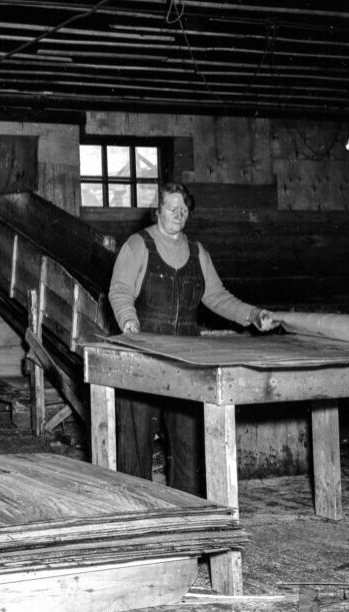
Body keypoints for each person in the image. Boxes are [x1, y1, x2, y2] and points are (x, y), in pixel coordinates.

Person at [108, 182, 277, 497]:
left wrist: (253, 315)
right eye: (172, 208)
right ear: (157, 211)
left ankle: (185, 509)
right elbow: (120, 290)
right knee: (135, 436)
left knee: (187, 438)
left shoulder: (198, 252)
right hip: (144, 349)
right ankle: (136, 506)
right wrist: (129, 322)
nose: (178, 214)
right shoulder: (138, 244)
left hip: (187, 354)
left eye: (184, 209)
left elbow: (216, 296)